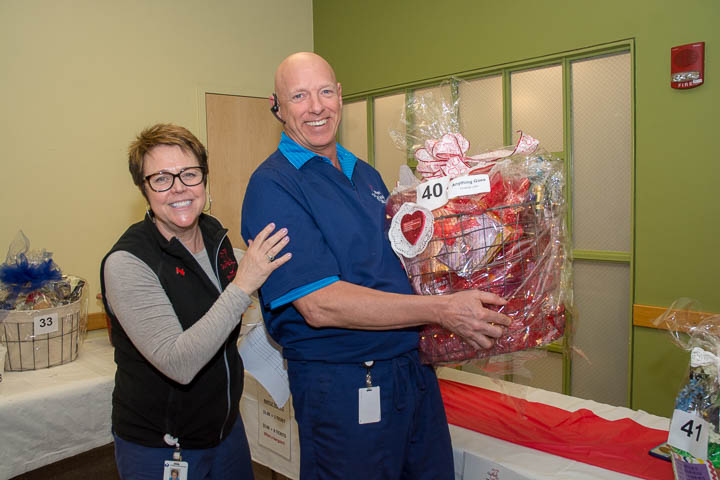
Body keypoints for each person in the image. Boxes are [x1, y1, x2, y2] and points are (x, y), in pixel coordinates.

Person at [241, 52, 512, 480]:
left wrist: (473, 248)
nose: (316, 107)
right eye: (299, 96)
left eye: (325, 92)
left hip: (413, 372)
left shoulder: (365, 174)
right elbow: (320, 304)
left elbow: (402, 265)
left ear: (340, 95)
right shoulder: (273, 185)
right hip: (344, 384)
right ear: (277, 107)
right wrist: (442, 310)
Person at [101, 123, 291, 479]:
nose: (179, 188)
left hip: (225, 430)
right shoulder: (128, 262)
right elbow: (179, 362)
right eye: (161, 178)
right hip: (163, 446)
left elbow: (220, 313)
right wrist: (243, 284)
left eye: (189, 174)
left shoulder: (213, 233)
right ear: (144, 189)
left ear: (204, 178)